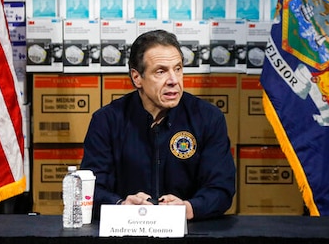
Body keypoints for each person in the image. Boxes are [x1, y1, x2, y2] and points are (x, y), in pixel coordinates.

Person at [80, 29, 236, 221]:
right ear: (137, 77)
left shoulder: (208, 118)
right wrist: (120, 205)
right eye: (161, 71)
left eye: (178, 69)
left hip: (192, 233)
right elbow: (90, 190)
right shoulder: (107, 120)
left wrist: (188, 208)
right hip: (126, 232)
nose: (173, 80)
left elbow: (222, 188)